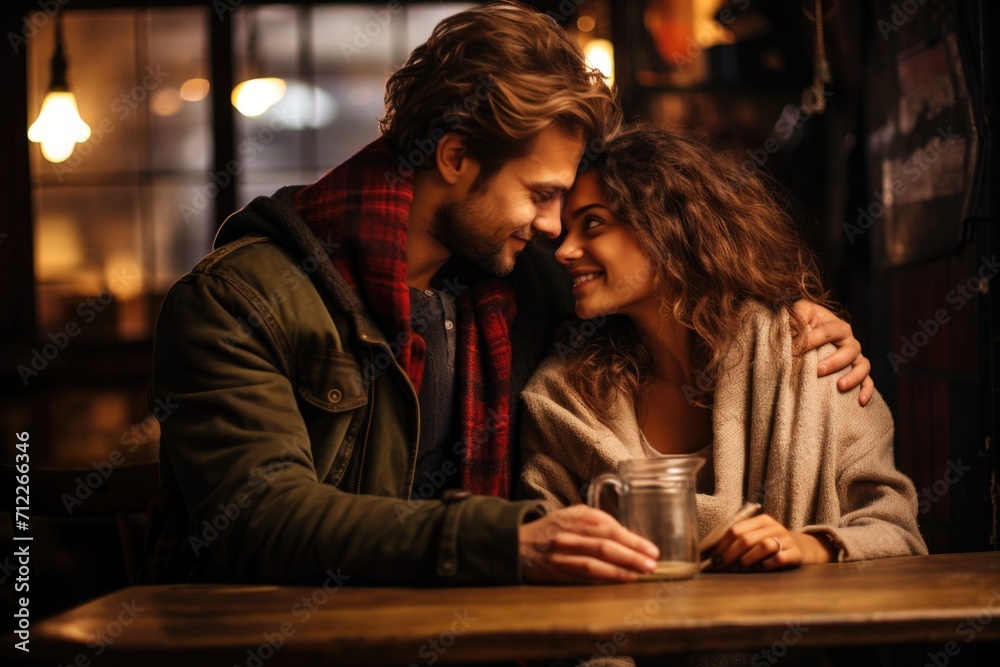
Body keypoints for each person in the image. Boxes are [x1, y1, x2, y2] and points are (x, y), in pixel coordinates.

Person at [142, 2, 872, 587]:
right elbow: (258, 519)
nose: (556, 229)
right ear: (456, 158)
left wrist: (794, 323)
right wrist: (504, 540)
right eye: (541, 194)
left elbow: (675, 273)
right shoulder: (235, 302)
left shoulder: (523, 279)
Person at [519, 126, 928, 571]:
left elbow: (896, 531)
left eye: (592, 223)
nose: (564, 251)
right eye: (565, 232)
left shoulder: (808, 354)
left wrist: (811, 547)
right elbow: (544, 543)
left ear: (667, 227)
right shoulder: (564, 395)